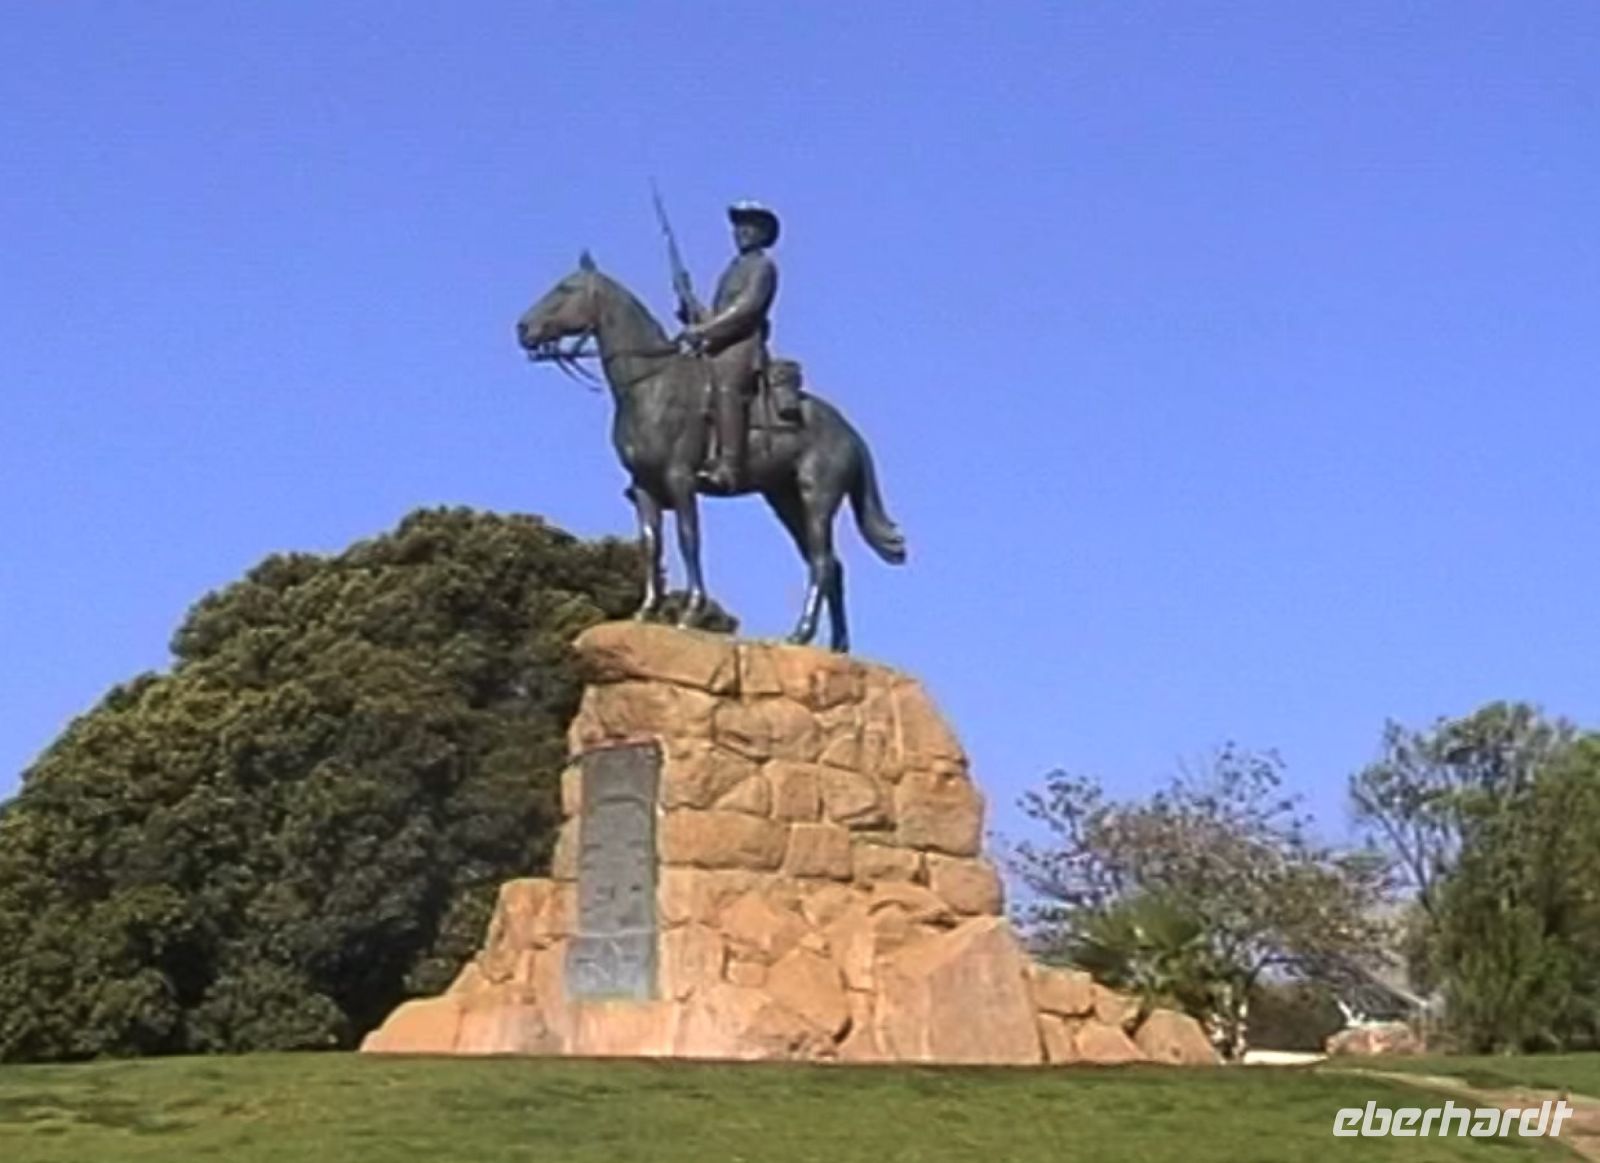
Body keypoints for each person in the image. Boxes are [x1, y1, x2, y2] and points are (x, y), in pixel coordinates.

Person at [679, 201, 780, 492]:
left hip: (742, 345)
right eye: (739, 226)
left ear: (763, 234)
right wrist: (690, 305)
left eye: (750, 226)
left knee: (726, 389)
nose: (742, 232)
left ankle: (729, 466)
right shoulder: (732, 269)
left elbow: (746, 309)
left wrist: (703, 330)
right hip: (719, 343)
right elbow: (719, 314)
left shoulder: (763, 267)